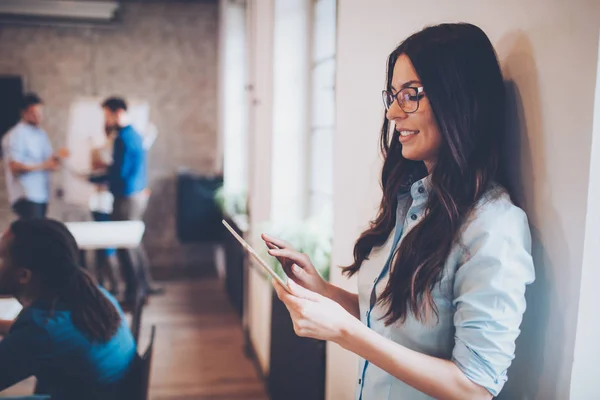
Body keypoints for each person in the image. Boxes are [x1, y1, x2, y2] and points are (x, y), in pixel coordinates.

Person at [262, 23, 535, 400]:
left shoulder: (493, 226)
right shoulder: (411, 201)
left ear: (458, 98)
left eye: (410, 95)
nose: (392, 112)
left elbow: (476, 387)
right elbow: (391, 326)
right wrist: (323, 292)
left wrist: (344, 332)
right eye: (392, 95)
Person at [0, 218, 137, 400]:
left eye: (1, 256)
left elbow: (35, 337)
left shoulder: (41, 330)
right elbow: (31, 336)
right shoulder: (91, 294)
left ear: (24, 275)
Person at [91, 97, 162, 308]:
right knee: (133, 244)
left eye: (107, 115)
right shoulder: (134, 134)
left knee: (125, 245)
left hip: (126, 197)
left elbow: (120, 172)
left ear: (117, 112)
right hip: (135, 195)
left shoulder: (123, 137)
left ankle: (134, 296)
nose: (106, 120)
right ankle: (141, 290)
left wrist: (97, 177)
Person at [2, 93, 69, 219]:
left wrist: (57, 158)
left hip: (42, 194)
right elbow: (15, 167)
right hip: (26, 195)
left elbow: (50, 163)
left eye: (40, 112)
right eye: (34, 113)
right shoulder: (16, 135)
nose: (39, 116)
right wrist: (45, 165)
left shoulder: (41, 134)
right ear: (24, 113)